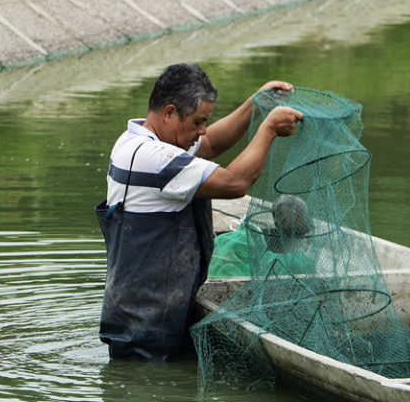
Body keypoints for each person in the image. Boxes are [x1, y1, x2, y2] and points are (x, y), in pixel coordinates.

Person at [95, 63, 302, 360]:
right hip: (149, 325)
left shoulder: (134, 143)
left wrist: (254, 105)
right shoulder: (156, 159)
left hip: (138, 313)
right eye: (197, 122)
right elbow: (235, 183)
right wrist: (268, 128)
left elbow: (212, 143)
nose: (202, 130)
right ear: (169, 112)